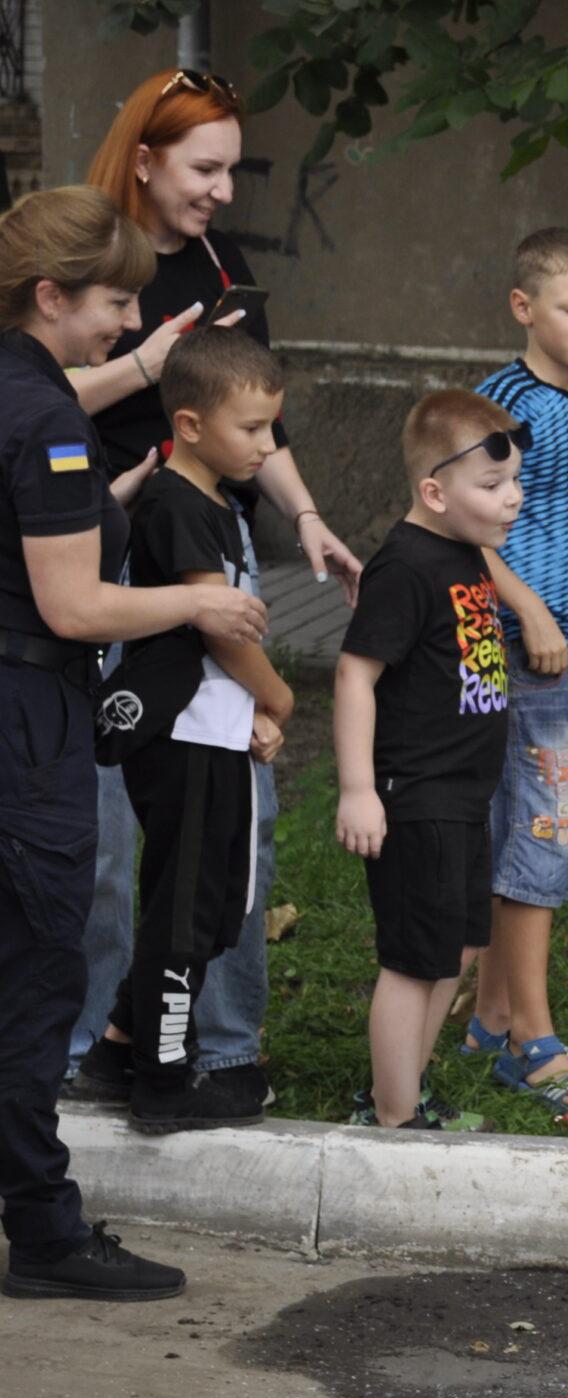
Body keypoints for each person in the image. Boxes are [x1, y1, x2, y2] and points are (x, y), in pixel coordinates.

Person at [63, 66, 366, 1111]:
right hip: (103, 558)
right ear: (143, 156)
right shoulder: (87, 256)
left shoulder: (215, 261)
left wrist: (307, 517)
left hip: (210, 543)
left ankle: (222, 1042)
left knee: (238, 819)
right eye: (205, 168)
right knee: (108, 828)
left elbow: (256, 413)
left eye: (234, 169)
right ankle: (89, 1048)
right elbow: (32, 392)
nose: (225, 191)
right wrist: (146, 366)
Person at [0, 186, 265, 1301]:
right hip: (28, 719)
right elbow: (70, 606)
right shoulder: (46, 412)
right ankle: (47, 1232)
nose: (125, 322)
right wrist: (194, 605)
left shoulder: (19, 391)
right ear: (50, 295)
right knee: (37, 968)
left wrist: (116, 496)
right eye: (112, 301)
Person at [91, 329, 292, 1131]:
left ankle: (115, 1050)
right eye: (251, 429)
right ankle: (162, 1088)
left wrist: (252, 715)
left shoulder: (210, 500)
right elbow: (220, 630)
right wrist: (279, 702)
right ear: (192, 423)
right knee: (186, 912)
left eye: (272, 427)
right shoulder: (178, 504)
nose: (266, 445)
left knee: (207, 905)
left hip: (212, 731)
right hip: (183, 740)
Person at [333, 391, 549, 1131]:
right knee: (413, 959)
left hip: (462, 794)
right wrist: (359, 789)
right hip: (414, 794)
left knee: (452, 948)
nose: (511, 498)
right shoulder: (405, 566)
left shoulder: (464, 555)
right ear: (434, 491)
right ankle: (394, 1119)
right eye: (492, 486)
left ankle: (404, 1091)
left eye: (516, 481)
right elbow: (355, 674)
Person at [457, 228, 568, 1122]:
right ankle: (533, 1043)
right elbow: (467, 528)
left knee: (549, 836)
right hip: (521, 652)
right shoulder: (502, 407)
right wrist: (534, 614)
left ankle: (492, 1013)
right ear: (525, 309)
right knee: (540, 841)